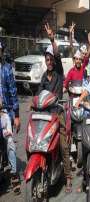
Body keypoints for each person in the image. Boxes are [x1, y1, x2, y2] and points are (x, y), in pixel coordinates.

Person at [37, 23, 72, 193]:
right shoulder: (44, 76)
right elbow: (38, 95)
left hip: (57, 114)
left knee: (63, 146)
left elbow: (58, 55)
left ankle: (68, 176)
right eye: (48, 59)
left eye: (51, 59)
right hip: (44, 116)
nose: (50, 62)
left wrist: (52, 39)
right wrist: (33, 103)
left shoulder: (58, 72)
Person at [0, 40, 21, 194]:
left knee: (9, 143)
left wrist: (17, 115)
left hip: (4, 112)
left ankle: (14, 175)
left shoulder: (7, 69)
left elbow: (13, 93)